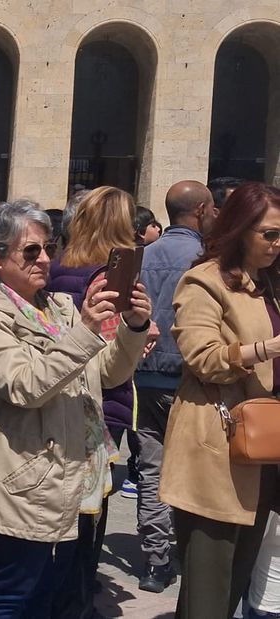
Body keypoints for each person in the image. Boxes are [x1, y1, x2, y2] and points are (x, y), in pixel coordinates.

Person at [0, 199, 150, 617]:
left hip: (73, 480)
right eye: (31, 251)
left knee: (50, 599)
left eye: (49, 248)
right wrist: (86, 331)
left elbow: (106, 374)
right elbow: (25, 386)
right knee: (8, 599)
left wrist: (133, 327)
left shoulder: (60, 306)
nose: (45, 259)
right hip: (24, 485)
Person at [160, 182, 280, 618]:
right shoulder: (204, 281)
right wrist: (267, 349)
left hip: (265, 448)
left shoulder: (269, 283)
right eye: (269, 234)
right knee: (210, 588)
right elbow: (203, 358)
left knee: (238, 579)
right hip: (219, 446)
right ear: (240, 229)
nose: (277, 244)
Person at [46, 185, 146, 617]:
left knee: (64, 512)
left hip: (62, 395)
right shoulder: (107, 277)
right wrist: (137, 331)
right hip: (102, 403)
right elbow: (107, 362)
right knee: (89, 515)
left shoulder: (56, 267)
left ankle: (65, 594)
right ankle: (77, 600)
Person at [133, 179, 217, 594]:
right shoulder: (206, 261)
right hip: (188, 379)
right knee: (194, 469)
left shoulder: (142, 256)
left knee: (151, 469)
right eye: (213, 208)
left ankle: (155, 560)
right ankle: (188, 551)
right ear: (200, 210)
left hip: (142, 376)